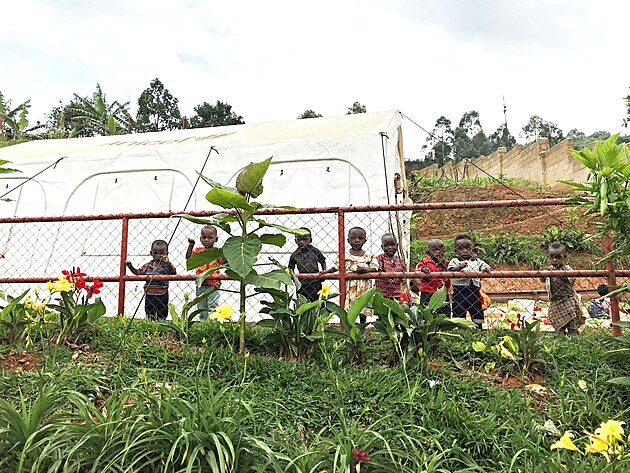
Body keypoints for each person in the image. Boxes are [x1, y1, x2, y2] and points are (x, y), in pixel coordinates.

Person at [322, 226, 378, 324]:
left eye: (360, 238)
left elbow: (375, 268)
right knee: (349, 306)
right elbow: (336, 267)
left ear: (365, 241)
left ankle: (362, 325)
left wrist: (366, 270)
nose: (357, 241)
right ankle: (348, 326)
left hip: (363, 286)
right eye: (353, 238)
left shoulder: (368, 256)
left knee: (363, 306)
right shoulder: (344, 255)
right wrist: (326, 272)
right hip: (350, 286)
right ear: (348, 240)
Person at [447, 234, 491, 329]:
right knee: (459, 310)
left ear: (473, 250)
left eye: (468, 249)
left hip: (474, 291)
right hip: (460, 291)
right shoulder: (455, 261)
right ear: (456, 251)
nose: (465, 251)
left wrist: (485, 269)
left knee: (476, 309)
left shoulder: (477, 261)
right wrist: (459, 267)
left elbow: (485, 265)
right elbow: (450, 271)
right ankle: (461, 328)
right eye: (461, 249)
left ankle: (478, 327)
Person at [126, 239, 177, 321]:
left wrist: (168, 263)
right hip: (149, 293)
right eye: (156, 253)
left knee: (162, 311)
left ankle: (161, 323)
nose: (158, 256)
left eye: (162, 253)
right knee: (149, 310)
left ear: (166, 254)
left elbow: (173, 273)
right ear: (151, 253)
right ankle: (150, 323)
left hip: (162, 293)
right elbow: (139, 273)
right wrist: (130, 267)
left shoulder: (167, 266)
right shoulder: (147, 266)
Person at [540, 242, 585, 334]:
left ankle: (573, 335)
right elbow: (542, 280)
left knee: (572, 323)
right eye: (552, 257)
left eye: (558, 257)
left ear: (564, 257)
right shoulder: (549, 269)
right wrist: (544, 274)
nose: (555, 260)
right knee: (558, 324)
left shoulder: (567, 269)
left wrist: (558, 273)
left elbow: (569, 280)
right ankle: (560, 335)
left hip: (567, 300)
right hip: (555, 301)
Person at [186, 225, 223, 320]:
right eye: (204, 237)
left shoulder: (218, 253)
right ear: (200, 238)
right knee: (201, 305)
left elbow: (225, 261)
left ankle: (212, 323)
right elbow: (189, 257)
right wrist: (191, 245)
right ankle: (203, 322)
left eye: (210, 238)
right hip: (201, 282)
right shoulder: (198, 251)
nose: (206, 240)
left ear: (216, 239)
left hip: (214, 283)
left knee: (213, 304)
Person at [288, 228, 326, 302]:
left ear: (310, 240)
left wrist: (324, 272)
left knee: (316, 302)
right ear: (295, 240)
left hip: (315, 281)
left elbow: (323, 260)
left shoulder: (315, 251)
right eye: (299, 239)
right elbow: (290, 268)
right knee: (302, 302)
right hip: (302, 283)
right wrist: (294, 279)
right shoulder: (295, 254)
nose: (302, 242)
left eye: (305, 239)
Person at [415, 238, 451, 316]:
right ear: (428, 252)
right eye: (434, 250)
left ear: (444, 251)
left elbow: (451, 274)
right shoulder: (425, 262)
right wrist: (423, 269)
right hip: (428, 293)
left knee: (445, 313)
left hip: (443, 293)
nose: (438, 252)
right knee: (427, 313)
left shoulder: (446, 263)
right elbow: (417, 270)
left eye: (440, 250)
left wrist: (444, 266)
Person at [375, 233, 407, 301]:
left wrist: (403, 279)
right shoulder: (380, 258)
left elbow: (404, 272)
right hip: (382, 294)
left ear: (397, 245)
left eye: (392, 245)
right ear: (382, 247)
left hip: (396, 294)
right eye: (386, 245)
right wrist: (385, 275)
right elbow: (378, 269)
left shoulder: (400, 260)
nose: (390, 247)